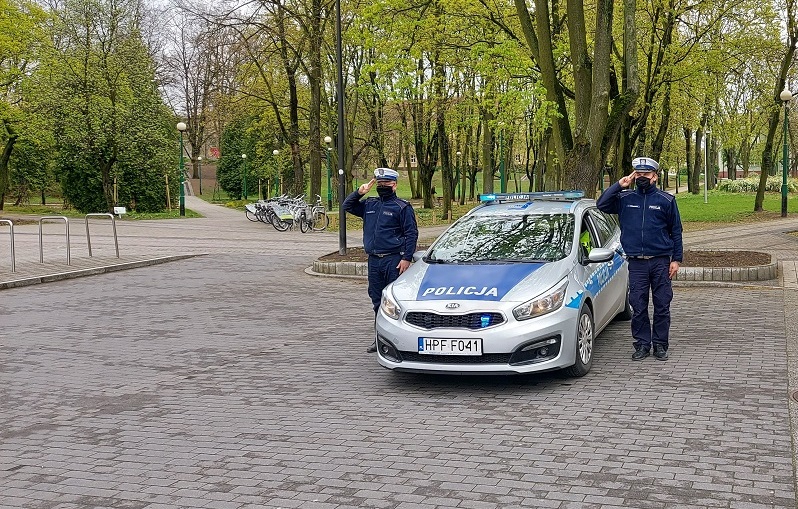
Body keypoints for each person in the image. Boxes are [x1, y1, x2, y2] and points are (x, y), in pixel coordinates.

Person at [596, 157, 683, 361]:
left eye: (646, 174)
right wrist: (619, 184)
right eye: (639, 174)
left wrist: (676, 259)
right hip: (636, 263)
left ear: (654, 177)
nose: (642, 177)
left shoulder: (666, 200)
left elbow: (676, 231)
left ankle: (660, 345)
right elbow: (601, 204)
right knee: (638, 305)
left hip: (660, 261)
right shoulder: (625, 198)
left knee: (662, 304)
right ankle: (642, 344)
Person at [343, 167, 419, 353]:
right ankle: (379, 339)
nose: (382, 186)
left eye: (386, 183)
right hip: (374, 261)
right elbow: (347, 206)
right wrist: (359, 192)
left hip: (393, 260)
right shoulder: (370, 204)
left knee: (393, 301)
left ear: (394, 185)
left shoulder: (402, 207)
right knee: (377, 300)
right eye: (380, 183)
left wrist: (407, 258)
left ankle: (396, 341)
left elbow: (411, 234)